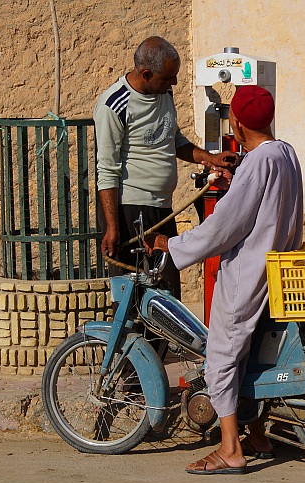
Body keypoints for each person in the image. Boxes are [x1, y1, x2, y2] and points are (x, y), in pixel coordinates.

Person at [145, 85, 304, 474]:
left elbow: (223, 228)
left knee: (222, 356)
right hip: (278, 264)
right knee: (253, 355)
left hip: (249, 271)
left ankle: (231, 448)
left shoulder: (256, 164)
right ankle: (258, 434)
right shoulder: (285, 152)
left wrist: (173, 244)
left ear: (235, 121)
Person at [94, 36, 237, 298]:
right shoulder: (114, 105)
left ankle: (162, 342)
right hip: (130, 211)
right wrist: (112, 227)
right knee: (134, 296)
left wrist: (211, 158)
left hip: (162, 209)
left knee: (167, 293)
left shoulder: (164, 93)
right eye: (169, 77)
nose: (174, 83)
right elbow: (107, 170)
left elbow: (174, 140)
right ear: (146, 74)